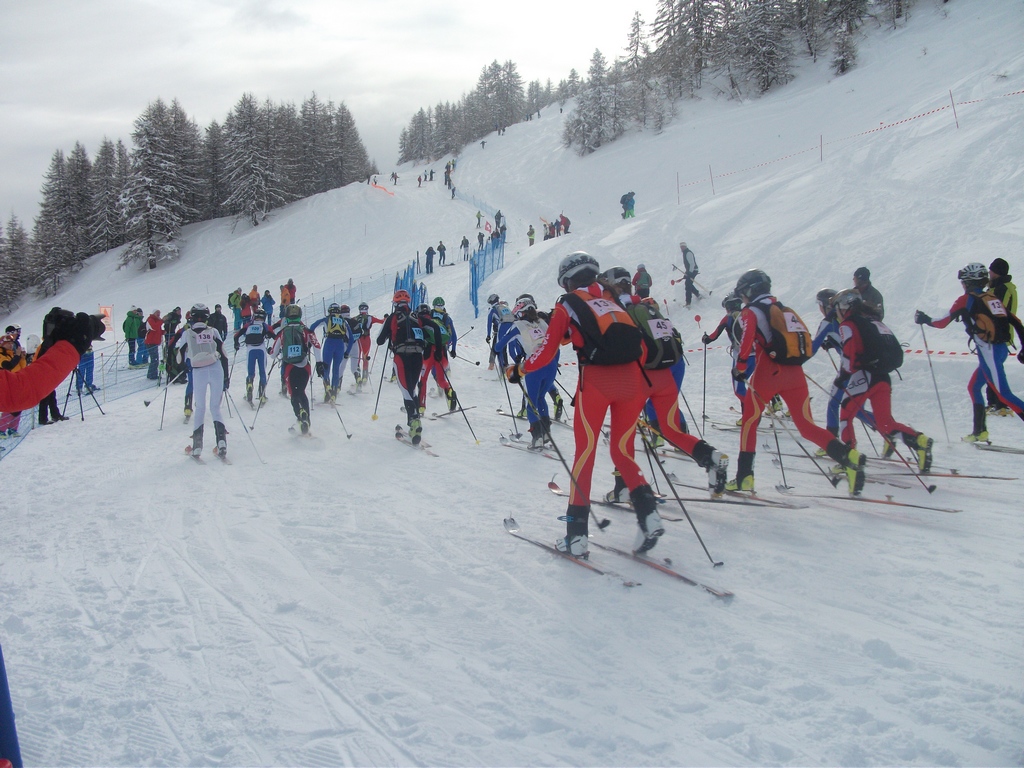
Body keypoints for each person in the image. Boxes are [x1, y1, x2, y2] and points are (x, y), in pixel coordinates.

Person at [521, 251, 663, 557]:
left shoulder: (568, 303)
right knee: (622, 452)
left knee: (584, 456)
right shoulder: (612, 301)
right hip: (632, 383)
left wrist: (520, 368)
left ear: (568, 281)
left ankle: (575, 536)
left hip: (596, 383)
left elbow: (546, 349)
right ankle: (648, 514)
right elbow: (637, 346)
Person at [729, 269, 867, 495]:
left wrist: (740, 369)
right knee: (806, 426)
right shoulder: (784, 309)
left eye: (743, 293)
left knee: (750, 421)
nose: (742, 298)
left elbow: (745, 344)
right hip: (795, 374)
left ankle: (744, 477)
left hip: (768, 373)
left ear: (750, 291)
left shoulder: (750, 312)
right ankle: (849, 457)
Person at [602, 266, 729, 497]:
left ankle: (624, 488)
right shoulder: (647, 307)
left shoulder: (616, 311)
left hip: (641, 377)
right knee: (670, 429)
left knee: (624, 434)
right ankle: (710, 457)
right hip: (666, 375)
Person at [915, 262, 1024, 442]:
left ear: (968, 282)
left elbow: (942, 322)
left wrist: (925, 319)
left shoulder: (966, 299)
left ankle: (980, 431)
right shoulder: (991, 297)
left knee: (1004, 394)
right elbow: (1016, 322)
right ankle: (979, 432)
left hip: (989, 352)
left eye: (963, 282)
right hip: (999, 349)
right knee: (973, 386)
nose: (962, 285)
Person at [832, 289, 932, 470]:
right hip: (883, 376)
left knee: (846, 416)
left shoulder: (848, 324)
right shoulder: (874, 320)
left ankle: (848, 459)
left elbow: (849, 354)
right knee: (885, 422)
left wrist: (842, 377)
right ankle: (919, 441)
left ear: (844, 307)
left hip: (864, 375)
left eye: (837, 308)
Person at [2, 309, 103, 415]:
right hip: (37, 374)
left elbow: (16, 391)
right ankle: (45, 417)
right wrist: (70, 346)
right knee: (47, 399)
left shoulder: (18, 345)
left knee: (50, 397)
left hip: (32, 375)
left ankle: (52, 415)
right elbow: (18, 391)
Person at [500, 297, 560, 448]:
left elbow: (501, 343)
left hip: (534, 365)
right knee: (541, 397)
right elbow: (555, 345)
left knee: (531, 401)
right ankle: (546, 433)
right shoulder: (543, 322)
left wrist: (503, 359)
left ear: (520, 311)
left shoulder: (518, 325)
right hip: (551, 364)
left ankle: (537, 437)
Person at [176, 304, 230, 458]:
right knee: (215, 407)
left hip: (198, 371)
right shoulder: (213, 331)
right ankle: (222, 443)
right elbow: (224, 353)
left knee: (200, 408)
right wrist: (226, 377)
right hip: (216, 368)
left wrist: (184, 365)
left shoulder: (187, 333)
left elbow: (179, 357)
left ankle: (197, 446)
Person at [376, 290, 426, 444]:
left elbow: (379, 340)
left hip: (401, 356)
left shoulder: (393, 317)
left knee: (406, 390)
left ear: (395, 303)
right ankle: (415, 417)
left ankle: (414, 421)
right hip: (418, 356)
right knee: (411, 388)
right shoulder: (417, 316)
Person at [270, 304, 323, 435]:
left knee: (294, 394)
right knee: (302, 392)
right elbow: (316, 345)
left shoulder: (283, 332)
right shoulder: (305, 330)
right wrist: (320, 363)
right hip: (305, 366)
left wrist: (270, 351)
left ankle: (300, 417)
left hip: (290, 367)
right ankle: (307, 420)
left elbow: (272, 354)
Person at [703, 292, 752, 417]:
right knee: (759, 382)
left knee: (739, 389)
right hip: (758, 355)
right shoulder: (748, 314)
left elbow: (712, 337)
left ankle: (750, 414)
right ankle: (775, 402)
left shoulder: (728, 318)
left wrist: (705, 338)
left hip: (741, 356)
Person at [986, 258, 1017, 415]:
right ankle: (995, 403)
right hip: (998, 334)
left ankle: (1000, 404)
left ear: (996, 272)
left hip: (997, 335)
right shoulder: (1000, 287)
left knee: (993, 370)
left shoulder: (1002, 289)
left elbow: (998, 311)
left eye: (991, 270)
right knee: (992, 369)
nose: (989, 273)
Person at [309, 303, 354, 403]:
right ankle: (334, 392)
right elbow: (351, 339)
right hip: (340, 345)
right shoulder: (343, 321)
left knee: (326, 367)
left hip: (329, 343)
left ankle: (327, 389)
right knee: (336, 369)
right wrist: (347, 352)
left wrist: (310, 338)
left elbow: (312, 326)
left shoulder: (327, 319)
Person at [416, 304, 456, 413]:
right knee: (441, 379)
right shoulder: (437, 321)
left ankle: (421, 406)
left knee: (423, 380)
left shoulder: (420, 321)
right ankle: (449, 391)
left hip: (429, 354)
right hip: (441, 352)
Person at [233, 308, 276, 405]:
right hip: (261, 349)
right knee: (262, 372)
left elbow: (236, 335)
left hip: (250, 350)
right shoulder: (265, 326)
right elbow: (275, 337)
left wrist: (236, 345)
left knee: (251, 372)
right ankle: (262, 395)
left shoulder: (248, 325)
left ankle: (249, 385)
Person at [348, 302, 384, 389]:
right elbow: (382, 321)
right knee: (365, 357)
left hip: (358, 339)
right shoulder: (370, 317)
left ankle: (358, 377)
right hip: (367, 339)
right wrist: (386, 317)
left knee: (357, 358)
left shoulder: (355, 318)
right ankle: (365, 378)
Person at [679, 242, 701, 306]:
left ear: (685, 246)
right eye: (681, 247)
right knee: (688, 284)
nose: (682, 248)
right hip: (690, 271)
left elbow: (692, 263)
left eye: (683, 246)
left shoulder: (688, 253)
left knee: (688, 285)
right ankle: (697, 294)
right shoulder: (685, 253)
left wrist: (690, 272)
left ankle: (688, 302)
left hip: (693, 271)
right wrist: (687, 272)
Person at [144, 309, 164, 380]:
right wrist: (161, 321)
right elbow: (154, 328)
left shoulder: (156, 320)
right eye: (157, 312)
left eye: (159, 312)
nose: (158, 314)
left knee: (154, 359)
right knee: (154, 359)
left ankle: (151, 374)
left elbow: (157, 330)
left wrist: (163, 332)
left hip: (154, 342)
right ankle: (152, 375)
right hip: (150, 342)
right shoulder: (151, 320)